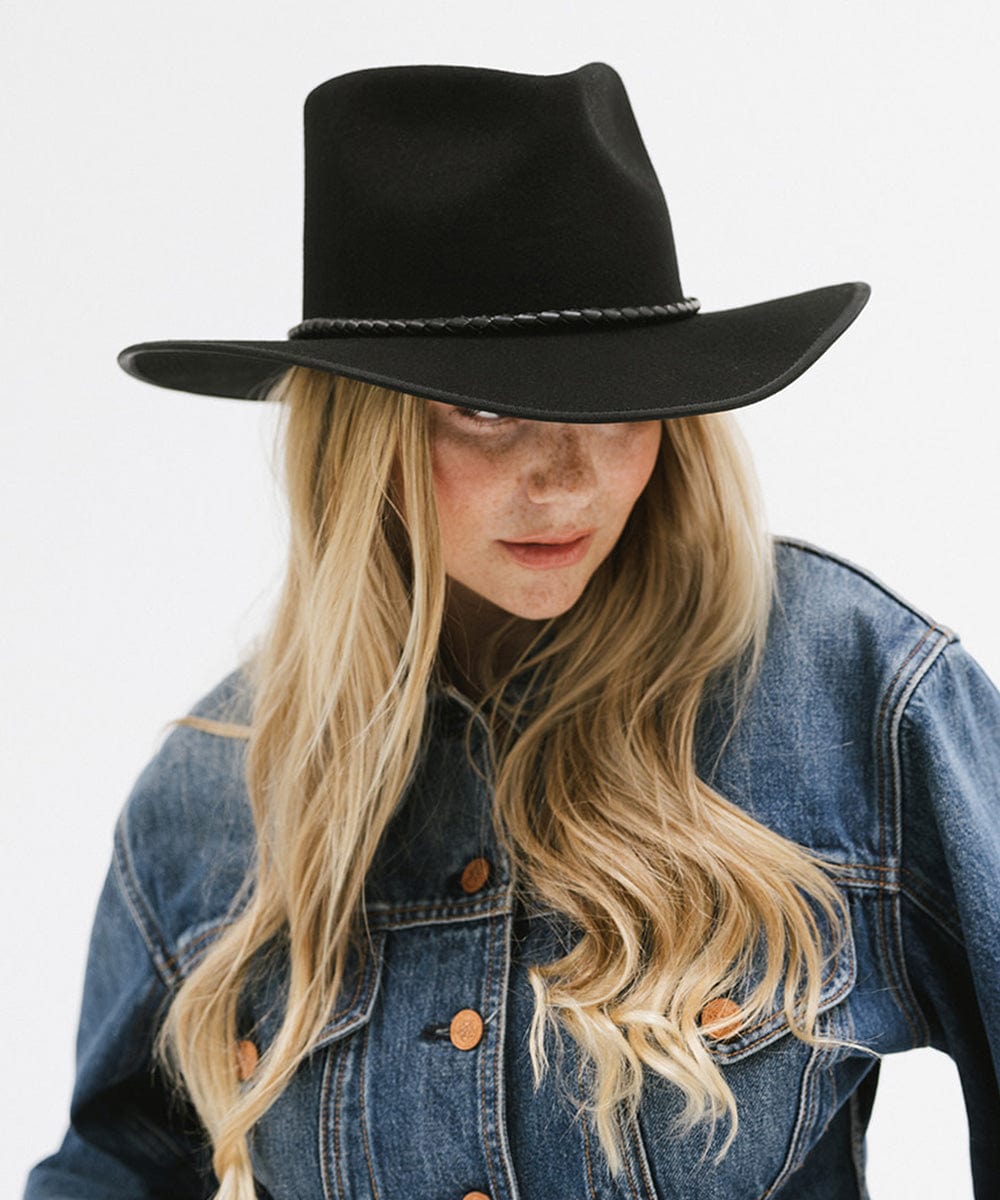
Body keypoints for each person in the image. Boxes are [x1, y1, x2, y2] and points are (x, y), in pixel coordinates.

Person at [23, 61, 1000, 1200]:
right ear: (360, 437)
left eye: (618, 399)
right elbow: (115, 1167)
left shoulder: (850, 693)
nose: (569, 478)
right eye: (486, 409)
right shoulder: (213, 796)